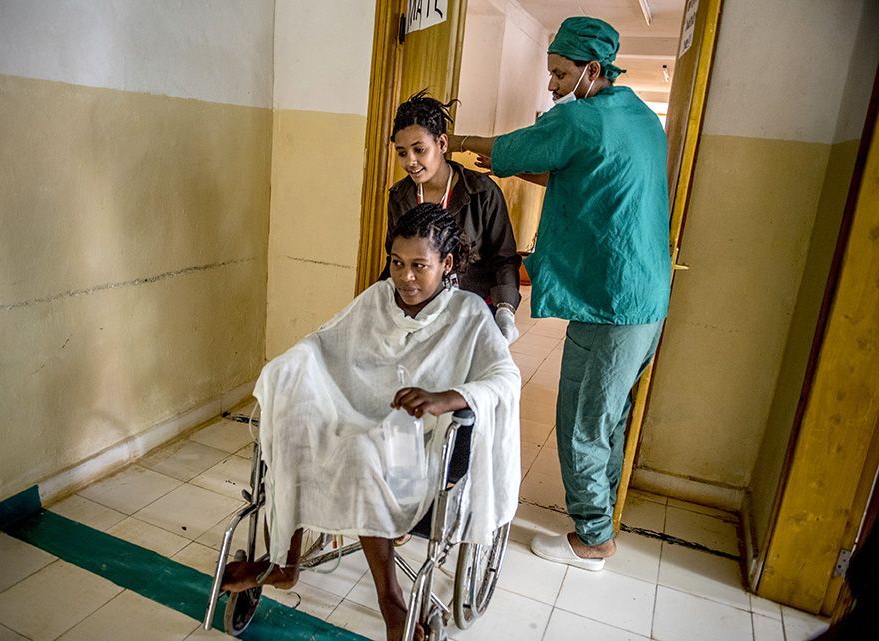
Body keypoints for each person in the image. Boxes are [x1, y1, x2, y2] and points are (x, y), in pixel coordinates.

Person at [222, 203, 521, 641]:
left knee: (362, 451)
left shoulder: (469, 314)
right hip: (363, 421)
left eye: (420, 266)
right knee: (301, 421)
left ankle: (391, 601)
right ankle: (283, 564)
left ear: (447, 264)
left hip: (419, 447)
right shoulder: (378, 299)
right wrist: (289, 367)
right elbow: (323, 344)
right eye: (397, 263)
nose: (406, 277)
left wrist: (446, 397)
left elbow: (504, 377)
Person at [448, 16, 671, 571]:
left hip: (612, 304)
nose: (551, 84)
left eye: (560, 72)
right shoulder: (639, 117)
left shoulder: (584, 118)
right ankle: (602, 518)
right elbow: (582, 174)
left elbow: (516, 145)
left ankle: (593, 539)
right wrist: (519, 171)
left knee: (582, 422)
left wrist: (451, 142)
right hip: (644, 300)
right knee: (610, 416)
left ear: (591, 70)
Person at [383, 90, 522, 343]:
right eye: (402, 153)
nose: (410, 161)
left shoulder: (482, 193)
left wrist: (505, 312)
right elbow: (393, 259)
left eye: (419, 149)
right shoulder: (400, 197)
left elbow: (504, 259)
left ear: (442, 144)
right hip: (420, 313)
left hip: (473, 311)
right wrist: (377, 303)